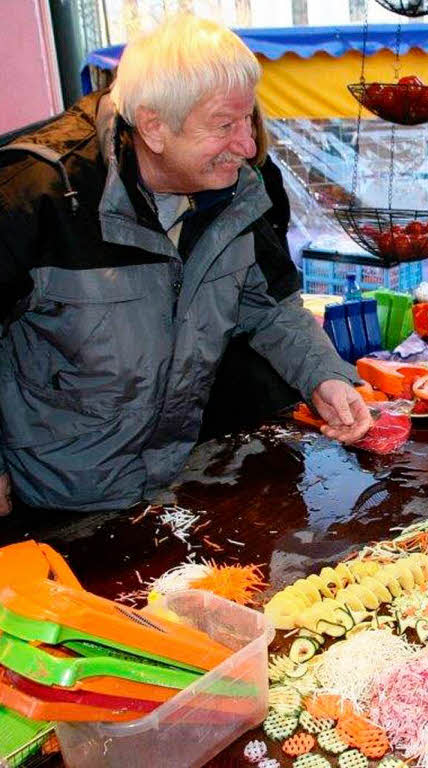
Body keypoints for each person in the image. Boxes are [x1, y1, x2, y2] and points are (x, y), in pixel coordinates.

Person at [0, 15, 373, 514]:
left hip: (174, 481)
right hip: (47, 500)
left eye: (248, 120)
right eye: (225, 125)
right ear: (154, 126)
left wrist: (324, 376)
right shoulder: (35, 195)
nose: (246, 146)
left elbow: (270, 308)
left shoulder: (239, 186)